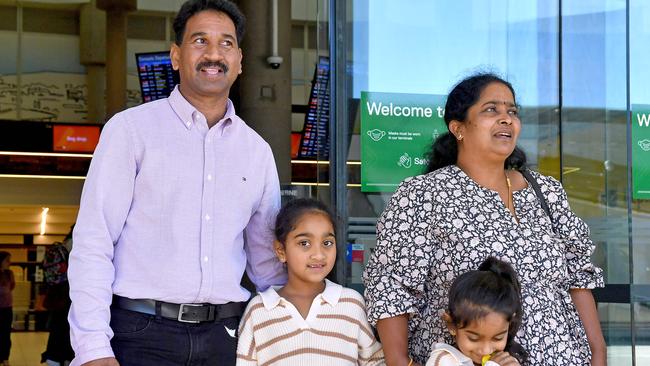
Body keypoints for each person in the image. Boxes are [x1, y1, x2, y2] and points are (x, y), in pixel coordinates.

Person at [68, 1, 286, 365]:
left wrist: (315, 313)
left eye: (226, 43)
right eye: (200, 41)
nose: (214, 54)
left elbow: (266, 264)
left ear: (240, 61)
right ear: (175, 56)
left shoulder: (257, 151)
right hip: (139, 335)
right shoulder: (130, 131)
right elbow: (94, 241)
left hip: (227, 337)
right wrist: (93, 349)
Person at [363, 72, 606, 366]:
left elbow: (578, 278)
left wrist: (598, 353)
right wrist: (399, 362)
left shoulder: (547, 191)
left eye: (512, 111)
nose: (506, 118)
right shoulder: (424, 194)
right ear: (458, 128)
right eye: (491, 109)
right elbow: (391, 288)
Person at [236, 198, 384, 365]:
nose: (319, 254)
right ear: (281, 250)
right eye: (304, 243)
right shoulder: (259, 310)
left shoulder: (351, 304)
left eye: (327, 243)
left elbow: (374, 360)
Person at [426, 257, 526, 366]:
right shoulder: (443, 359)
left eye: (498, 338)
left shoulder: (503, 361)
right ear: (452, 325)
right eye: (473, 339)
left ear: (509, 326)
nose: (486, 350)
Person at [0, 252, 14, 366]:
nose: (9, 263)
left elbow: (11, 287)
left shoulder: (9, 274)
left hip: (7, 309)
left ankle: (5, 358)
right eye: (7, 260)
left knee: (6, 335)